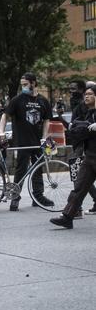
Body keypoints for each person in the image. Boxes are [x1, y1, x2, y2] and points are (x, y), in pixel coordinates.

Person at [0, 72, 54, 211]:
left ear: (33, 83)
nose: (23, 87)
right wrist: (1, 132)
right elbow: (5, 116)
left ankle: (38, 197)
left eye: (25, 84)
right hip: (22, 141)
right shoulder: (17, 100)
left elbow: (47, 120)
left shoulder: (43, 101)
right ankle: (15, 197)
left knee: (38, 168)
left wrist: (44, 137)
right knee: (20, 170)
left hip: (37, 141)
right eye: (22, 85)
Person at [50, 86, 96, 228]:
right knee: (79, 187)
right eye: (85, 94)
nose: (86, 97)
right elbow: (76, 128)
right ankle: (67, 216)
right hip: (90, 156)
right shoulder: (88, 113)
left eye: (90, 94)